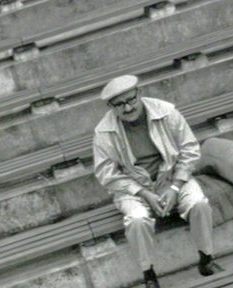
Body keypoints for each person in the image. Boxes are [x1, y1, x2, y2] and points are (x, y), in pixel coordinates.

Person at [93, 75, 218, 288]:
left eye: (131, 100)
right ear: (111, 107)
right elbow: (106, 174)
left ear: (139, 94)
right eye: (119, 104)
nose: (128, 108)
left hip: (171, 176)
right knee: (136, 220)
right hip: (134, 188)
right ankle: (148, 272)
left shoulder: (166, 112)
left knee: (199, 204)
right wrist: (144, 194)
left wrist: (175, 186)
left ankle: (206, 256)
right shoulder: (103, 132)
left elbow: (190, 149)